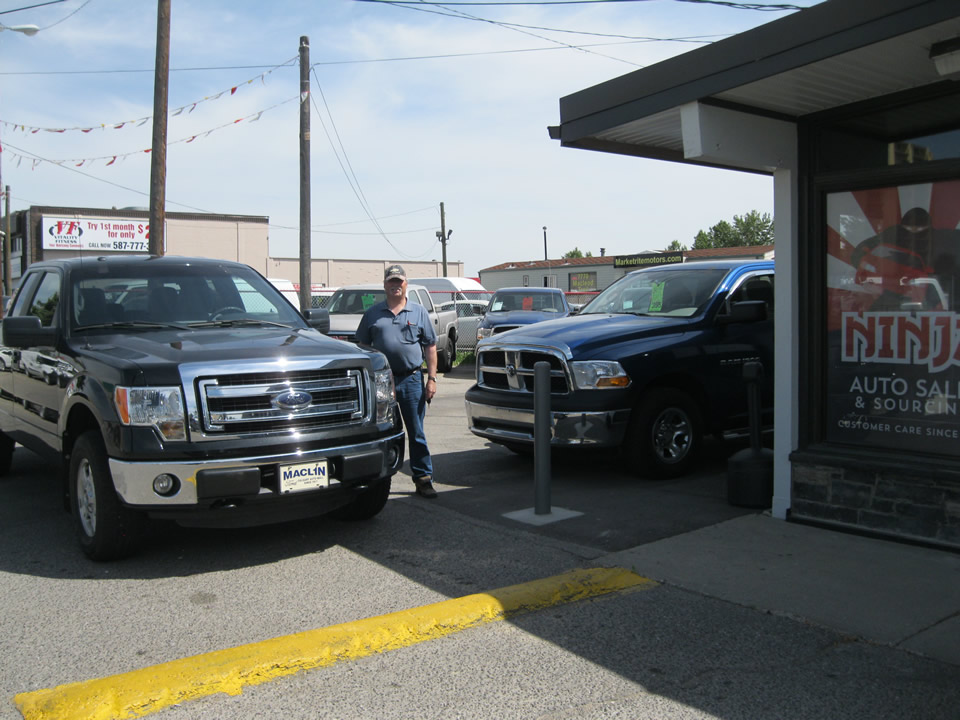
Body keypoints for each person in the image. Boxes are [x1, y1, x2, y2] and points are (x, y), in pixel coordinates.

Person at [355, 264, 439, 498]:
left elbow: (430, 347)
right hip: (381, 383)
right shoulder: (372, 314)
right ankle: (375, 480)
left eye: (399, 282)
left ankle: (423, 479)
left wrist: (431, 379)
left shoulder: (418, 312)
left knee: (416, 432)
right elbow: (361, 347)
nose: (395, 285)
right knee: (380, 432)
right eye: (391, 281)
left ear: (406, 284)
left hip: (411, 380)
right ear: (384, 285)